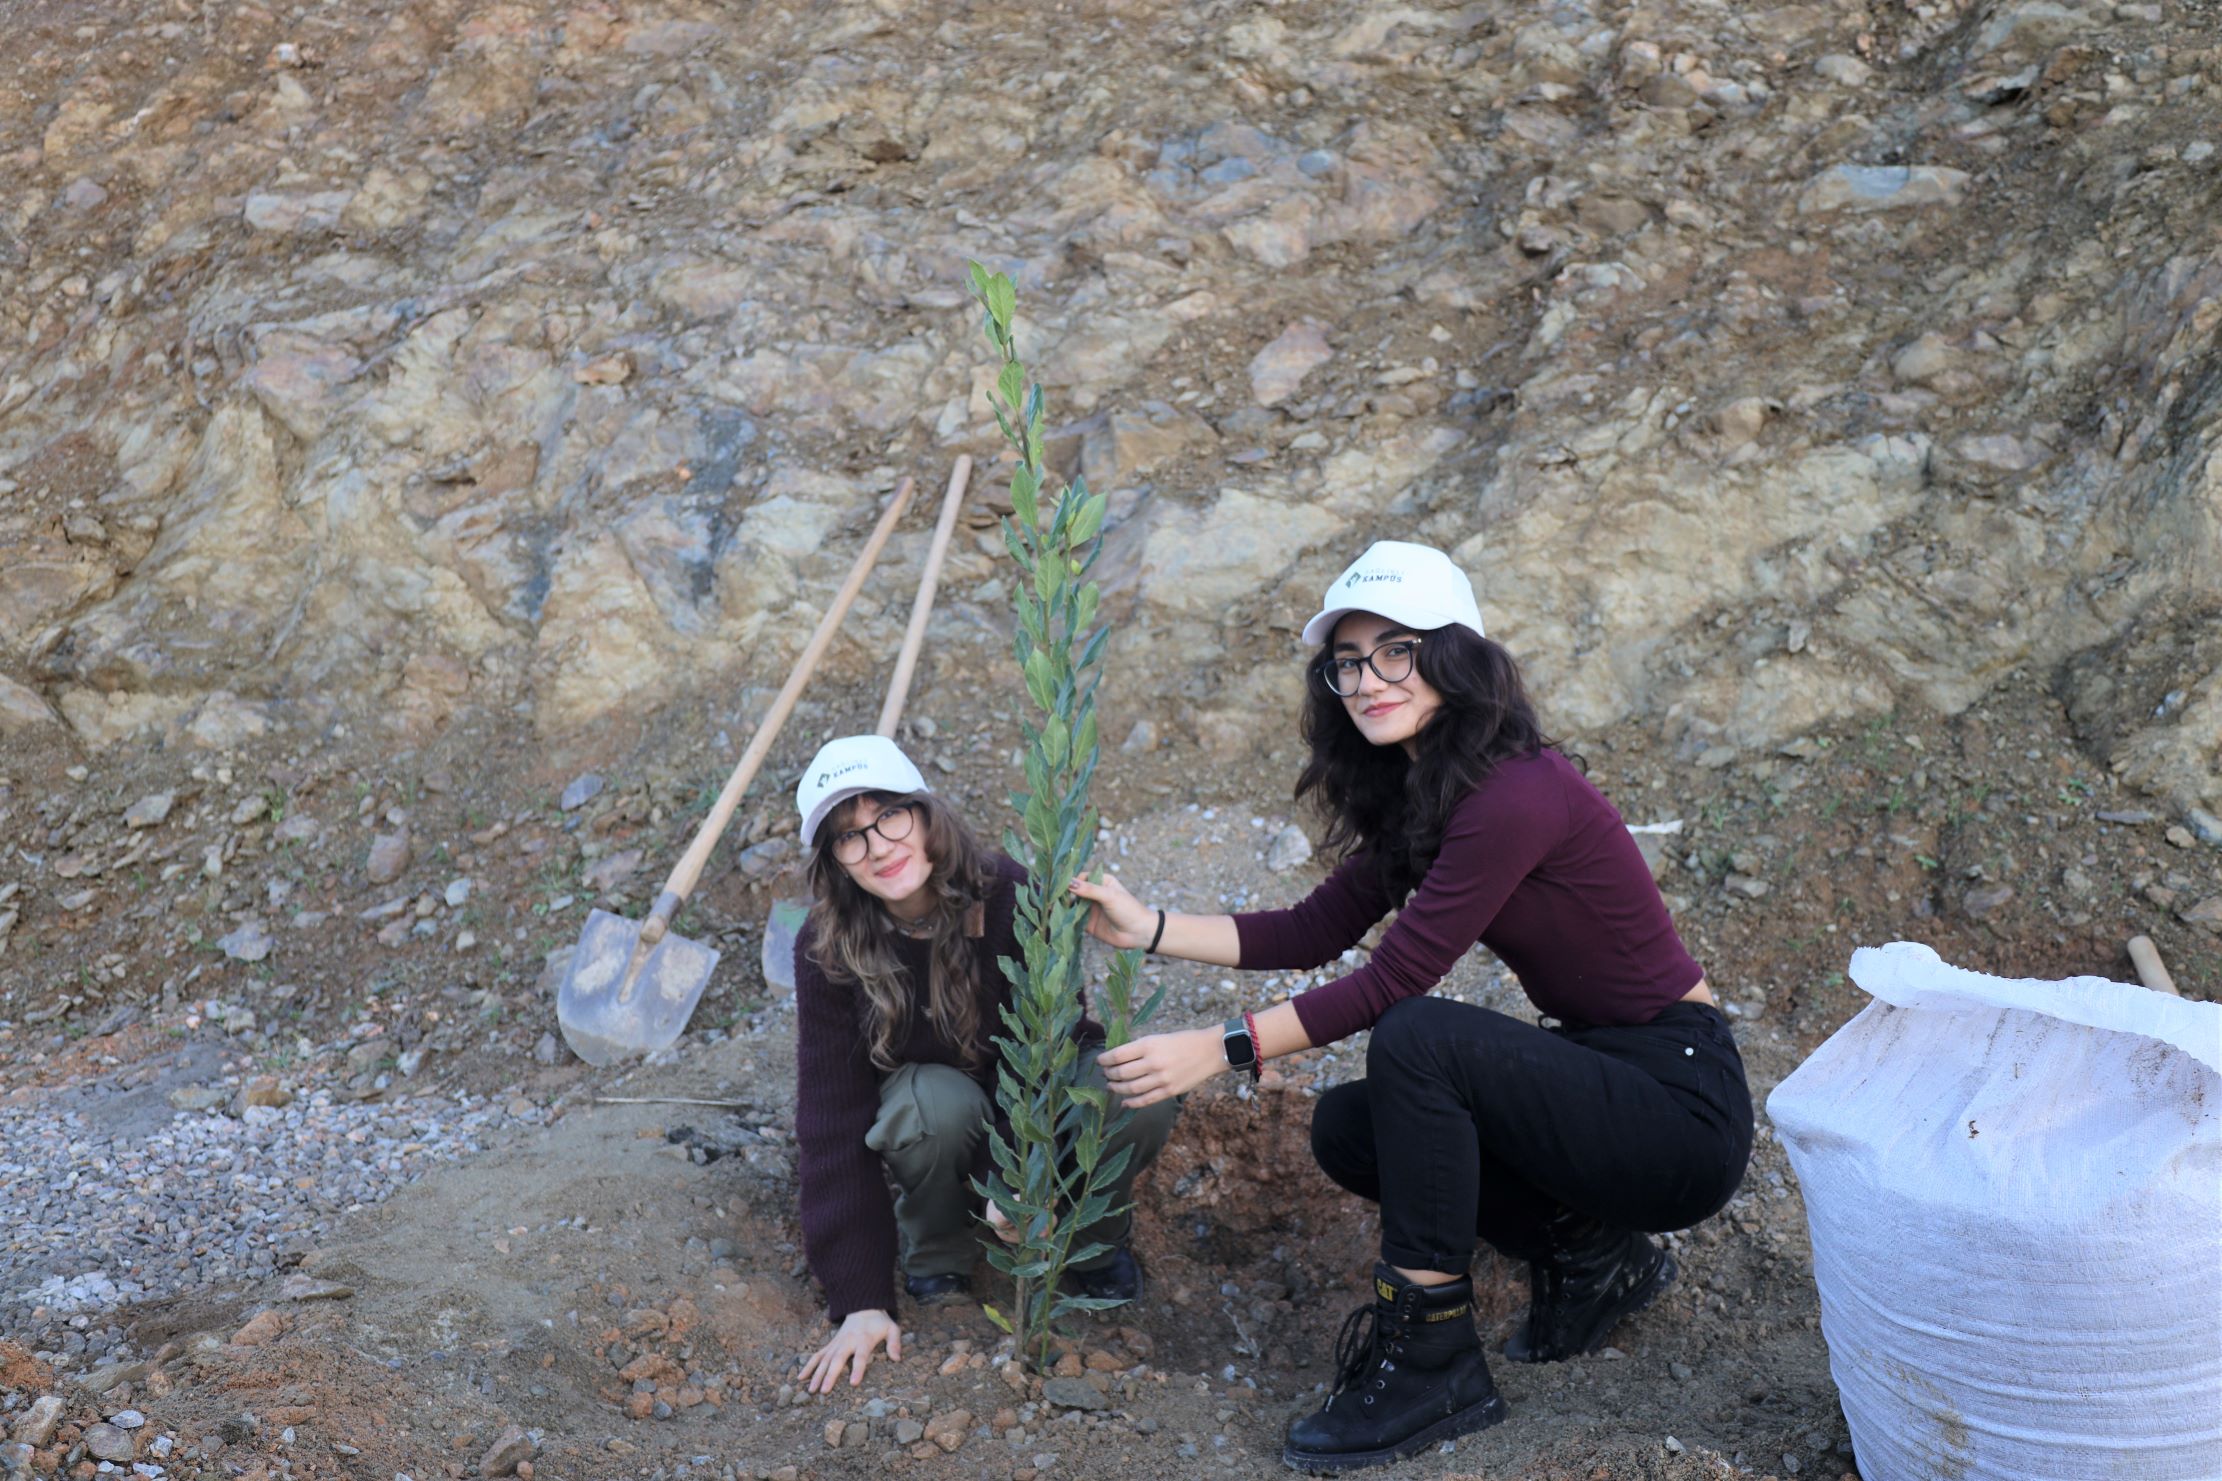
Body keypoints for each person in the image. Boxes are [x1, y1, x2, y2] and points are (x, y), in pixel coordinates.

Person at [1071, 541, 1753, 1471]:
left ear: (1456, 656)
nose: (1366, 680)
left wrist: (1226, 1046)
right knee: (1352, 1126)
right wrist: (1146, 924)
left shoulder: (1517, 793)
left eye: (1397, 650)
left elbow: (1394, 981)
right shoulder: (1431, 791)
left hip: (1681, 1109)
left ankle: (1432, 1358)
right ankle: (1597, 1257)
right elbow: (1313, 929)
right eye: (1348, 662)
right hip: (1607, 1084)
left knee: (1417, 1038)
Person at [791, 735, 1180, 1394]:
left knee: (1131, 1087)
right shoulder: (826, 949)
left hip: (1043, 1083)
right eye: (848, 836)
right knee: (931, 1104)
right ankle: (940, 1254)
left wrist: (1013, 1174)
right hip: (939, 1111)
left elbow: (1046, 1044)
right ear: (833, 861)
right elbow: (831, 1123)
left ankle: (1094, 1236)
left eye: (889, 815)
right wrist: (859, 1299)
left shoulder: (1007, 893)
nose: (879, 846)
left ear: (925, 812)